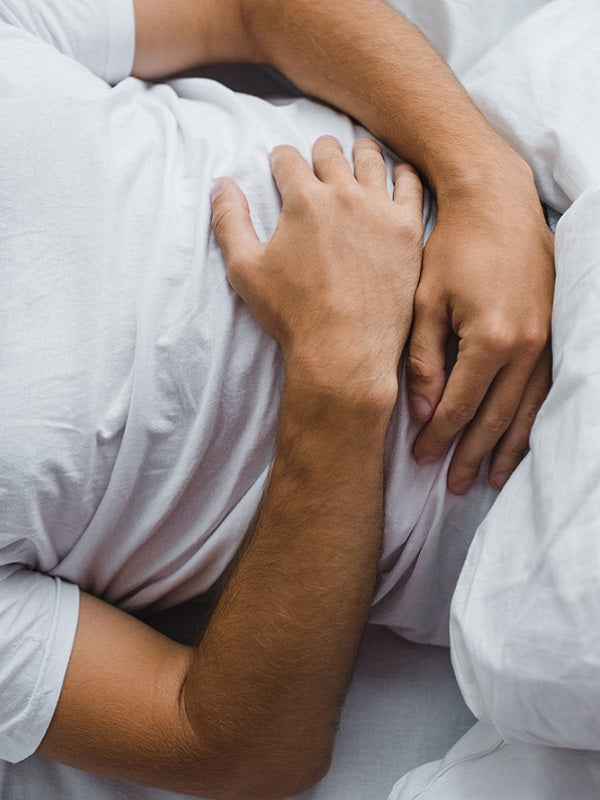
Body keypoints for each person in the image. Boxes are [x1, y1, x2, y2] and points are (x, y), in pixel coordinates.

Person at [0, 0, 554, 797]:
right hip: (525, 520)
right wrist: (339, 373)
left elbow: (252, 10)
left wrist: (485, 184)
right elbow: (229, 746)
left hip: (546, 201)